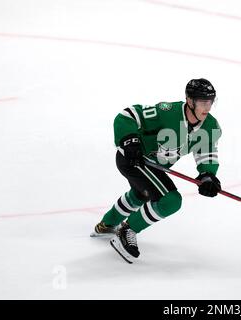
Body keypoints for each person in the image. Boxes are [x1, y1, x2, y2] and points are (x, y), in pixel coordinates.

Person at [91, 78, 222, 263]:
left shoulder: (210, 126)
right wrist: (129, 140)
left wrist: (208, 175)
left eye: (210, 101)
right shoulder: (166, 112)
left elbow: (207, 151)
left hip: (154, 166)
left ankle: (107, 224)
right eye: (202, 102)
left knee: (142, 194)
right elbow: (127, 115)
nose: (207, 107)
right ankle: (127, 229)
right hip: (133, 159)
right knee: (170, 200)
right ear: (189, 100)